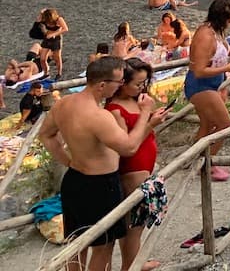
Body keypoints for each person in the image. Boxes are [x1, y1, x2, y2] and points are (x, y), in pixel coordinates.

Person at [38, 56, 166, 271]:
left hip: (75, 179)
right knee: (103, 246)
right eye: (119, 81)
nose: (121, 85)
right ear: (102, 85)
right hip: (100, 184)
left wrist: (69, 161)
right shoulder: (99, 116)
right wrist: (146, 114)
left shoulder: (63, 104)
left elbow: (46, 136)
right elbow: (129, 148)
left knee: (77, 242)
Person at [105, 58, 165, 271]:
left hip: (146, 163)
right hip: (132, 167)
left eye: (144, 83)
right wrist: (149, 123)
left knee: (139, 222)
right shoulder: (114, 109)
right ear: (122, 83)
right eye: (137, 84)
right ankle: (131, 265)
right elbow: (127, 144)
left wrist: (151, 114)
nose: (142, 87)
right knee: (134, 224)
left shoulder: (138, 100)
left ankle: (135, 261)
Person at [184, 0, 230, 181]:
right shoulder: (205, 35)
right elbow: (199, 71)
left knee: (207, 125)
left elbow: (213, 53)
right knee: (225, 125)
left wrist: (228, 51)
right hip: (201, 85)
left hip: (214, 84)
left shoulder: (215, 31)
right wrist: (227, 68)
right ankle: (207, 163)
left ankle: (195, 158)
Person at [38, 7, 68, 77]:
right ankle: (46, 73)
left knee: (57, 57)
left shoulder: (59, 19)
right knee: (42, 58)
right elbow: (38, 21)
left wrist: (53, 34)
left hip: (56, 39)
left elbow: (65, 29)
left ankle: (59, 73)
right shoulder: (44, 18)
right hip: (47, 38)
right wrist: (41, 13)